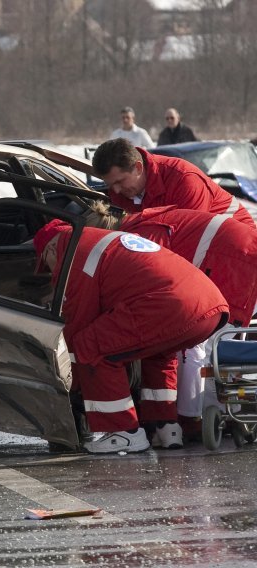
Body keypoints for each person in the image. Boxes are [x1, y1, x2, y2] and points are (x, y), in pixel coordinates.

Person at [33, 220, 229, 453]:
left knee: (90, 346)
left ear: (51, 250)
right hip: (210, 305)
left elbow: (77, 322)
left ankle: (122, 431)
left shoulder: (75, 255)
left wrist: (66, 379)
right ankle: (165, 427)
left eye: (47, 265)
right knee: (157, 355)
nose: (52, 273)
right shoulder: (102, 241)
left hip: (172, 305)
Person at [84, 201, 257, 436]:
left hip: (231, 260)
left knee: (196, 345)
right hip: (236, 254)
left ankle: (191, 417)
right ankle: (219, 410)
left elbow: (150, 279)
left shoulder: (139, 235)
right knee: (217, 342)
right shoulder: (145, 223)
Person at [92, 137, 255, 228]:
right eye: (111, 184)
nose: (116, 191)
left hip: (237, 247)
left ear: (138, 167)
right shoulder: (119, 190)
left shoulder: (184, 180)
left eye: (120, 181)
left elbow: (192, 237)